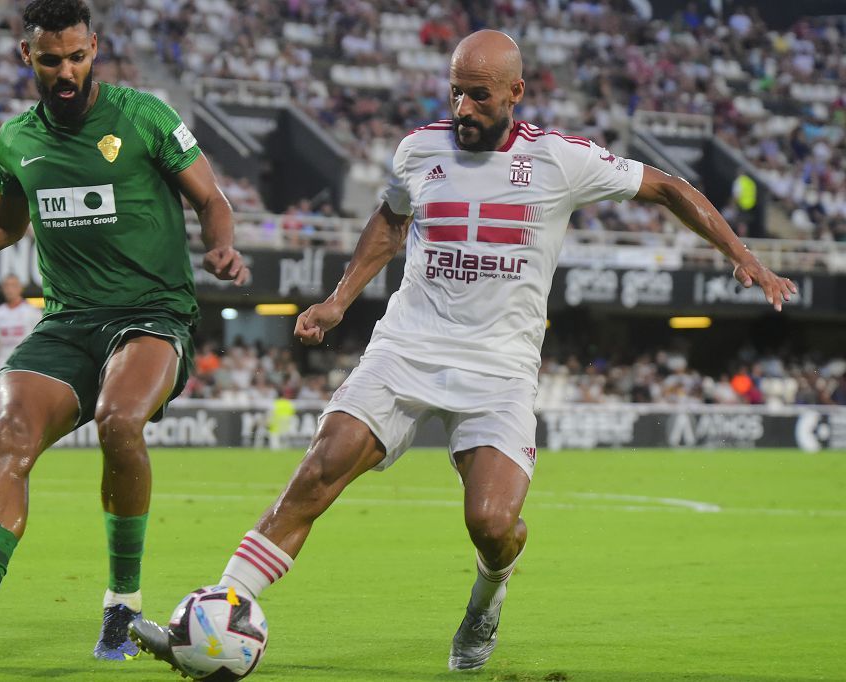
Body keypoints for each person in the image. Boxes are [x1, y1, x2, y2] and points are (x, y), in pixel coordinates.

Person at [129, 30, 796, 673]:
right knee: (316, 474)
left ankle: (487, 597)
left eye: (479, 95)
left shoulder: (562, 161)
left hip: (498, 370)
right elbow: (391, 222)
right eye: (455, 93)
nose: (463, 109)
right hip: (406, 349)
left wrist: (744, 258)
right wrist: (337, 300)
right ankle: (221, 609)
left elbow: (670, 188)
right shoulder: (419, 151)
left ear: (516, 93)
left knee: (492, 522)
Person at [0, 0, 248, 661]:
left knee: (121, 421)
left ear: (96, 48)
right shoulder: (18, 140)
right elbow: (4, 226)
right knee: (10, 432)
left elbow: (212, 199)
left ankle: (123, 606)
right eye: (51, 58)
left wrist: (222, 246)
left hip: (151, 314)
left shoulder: (144, 116)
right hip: (66, 320)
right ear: (25, 56)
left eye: (77, 56)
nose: (66, 71)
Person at [0, 274, 43, 385]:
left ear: (20, 288)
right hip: (4, 370)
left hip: (26, 370)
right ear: (2, 288)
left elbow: (40, 341)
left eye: (13, 285)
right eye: (6, 286)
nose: (9, 289)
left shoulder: (32, 312)